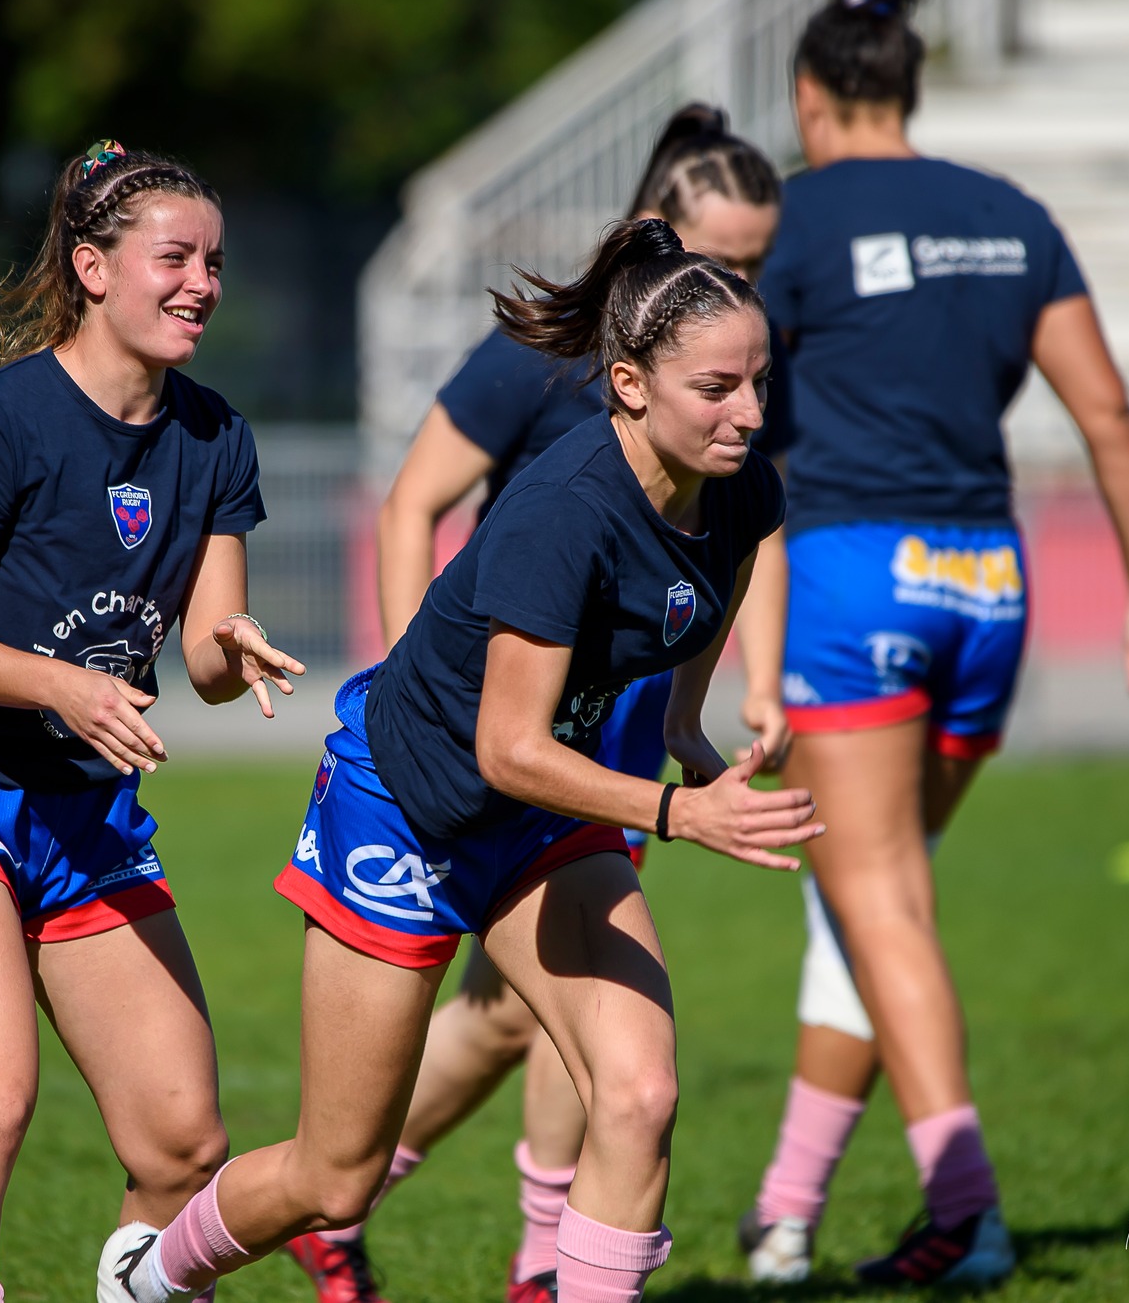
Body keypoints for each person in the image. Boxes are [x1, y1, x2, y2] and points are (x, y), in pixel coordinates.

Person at [102, 217, 819, 1303]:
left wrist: (684, 724)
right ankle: (149, 1279)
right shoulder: (561, 514)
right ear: (628, 385)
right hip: (403, 806)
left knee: (637, 1094)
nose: (751, 413)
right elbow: (508, 746)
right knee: (335, 1177)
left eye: (758, 381)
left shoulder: (740, 485)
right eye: (716, 388)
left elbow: (715, 581)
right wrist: (677, 811)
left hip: (533, 818)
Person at [731, 0, 1129, 1288]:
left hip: (850, 578)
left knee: (873, 897)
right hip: (988, 582)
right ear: (908, 84)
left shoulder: (793, 221)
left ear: (810, 96)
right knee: (875, 900)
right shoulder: (1009, 215)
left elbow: (724, 402)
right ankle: (785, 1214)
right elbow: (1107, 410)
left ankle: (965, 1210)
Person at [285, 104, 785, 1303]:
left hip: (601, 723)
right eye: (723, 253)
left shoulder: (731, 383)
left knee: (609, 1054)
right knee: (506, 1027)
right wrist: (412, 679)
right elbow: (411, 505)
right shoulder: (536, 372)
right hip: (478, 731)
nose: (742, 282)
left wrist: (710, 703)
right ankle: (348, 1215)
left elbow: (736, 539)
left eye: (758, 262)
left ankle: (543, 1260)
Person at [0, 140, 305, 1303]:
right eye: (174, 258)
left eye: (213, 261)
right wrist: (59, 684)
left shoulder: (217, 437)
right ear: (93, 269)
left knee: (183, 1145)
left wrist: (233, 644)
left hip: (86, 820)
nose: (201, 283)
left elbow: (202, 658)